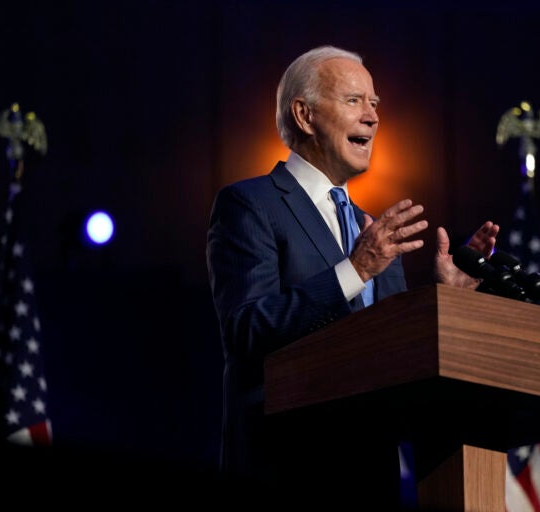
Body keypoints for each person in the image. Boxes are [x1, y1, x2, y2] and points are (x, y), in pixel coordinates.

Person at [206, 45, 499, 508]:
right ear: (303, 115)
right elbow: (246, 330)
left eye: (376, 104)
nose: (372, 117)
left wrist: (445, 305)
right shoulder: (250, 205)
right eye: (354, 101)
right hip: (286, 467)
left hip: (369, 475)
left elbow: (396, 350)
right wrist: (356, 269)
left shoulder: (375, 232)